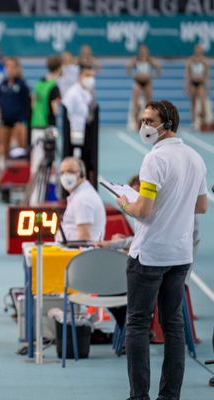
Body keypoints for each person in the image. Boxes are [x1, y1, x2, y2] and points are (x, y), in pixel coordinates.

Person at [115, 100, 207, 400]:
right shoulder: (195, 157)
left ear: (167, 123)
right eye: (143, 120)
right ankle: (170, 396)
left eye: (150, 121)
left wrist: (124, 203)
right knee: (174, 327)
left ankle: (139, 396)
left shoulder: (154, 160)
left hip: (151, 254)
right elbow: (201, 205)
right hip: (180, 255)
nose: (144, 126)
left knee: (138, 325)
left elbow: (143, 210)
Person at [0, 57, 30, 173]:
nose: (9, 69)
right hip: (5, 120)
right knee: (3, 147)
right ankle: (3, 170)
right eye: (7, 66)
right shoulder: (2, 85)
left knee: (21, 148)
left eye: (11, 66)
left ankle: (23, 172)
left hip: (19, 121)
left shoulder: (22, 84)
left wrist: (24, 121)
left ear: (16, 68)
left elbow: (28, 103)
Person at [56, 157, 106, 242]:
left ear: (82, 174)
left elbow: (84, 239)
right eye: (62, 173)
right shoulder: (80, 195)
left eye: (70, 171)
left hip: (76, 254)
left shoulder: (83, 199)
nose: (65, 176)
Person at [62, 64, 96, 159]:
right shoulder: (72, 93)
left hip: (86, 133)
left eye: (92, 76)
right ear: (80, 76)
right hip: (75, 134)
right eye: (87, 75)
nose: (91, 79)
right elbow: (66, 113)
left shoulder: (87, 92)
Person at [127, 45, 161, 128]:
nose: (143, 52)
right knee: (135, 102)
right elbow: (128, 68)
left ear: (147, 52)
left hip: (147, 82)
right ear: (139, 51)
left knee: (148, 103)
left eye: (144, 51)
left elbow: (158, 69)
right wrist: (134, 76)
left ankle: (148, 120)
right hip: (138, 82)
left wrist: (152, 76)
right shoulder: (136, 59)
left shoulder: (150, 60)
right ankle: (135, 121)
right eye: (141, 51)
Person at [185, 44, 210, 127]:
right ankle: (194, 120)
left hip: (200, 82)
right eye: (197, 49)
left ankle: (204, 119)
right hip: (193, 82)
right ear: (195, 50)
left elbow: (206, 74)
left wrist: (207, 84)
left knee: (202, 101)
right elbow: (187, 74)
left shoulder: (204, 61)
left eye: (199, 49)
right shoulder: (190, 60)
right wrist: (186, 85)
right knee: (193, 102)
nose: (198, 51)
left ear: (201, 51)